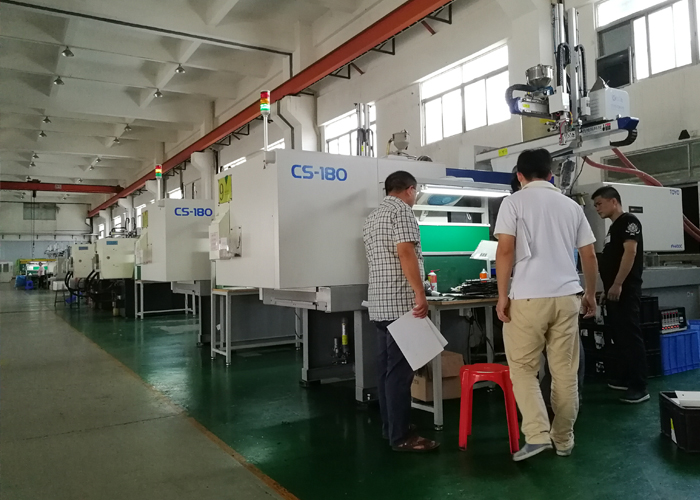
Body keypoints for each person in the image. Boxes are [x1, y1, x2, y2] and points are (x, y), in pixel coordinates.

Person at [494, 149, 598, 462]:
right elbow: (589, 254)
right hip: (567, 297)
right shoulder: (571, 206)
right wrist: (590, 294)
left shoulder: (513, 202)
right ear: (551, 174)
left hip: (528, 298)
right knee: (565, 373)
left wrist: (502, 296)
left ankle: (538, 434)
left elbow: (505, 251)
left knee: (523, 370)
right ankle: (564, 439)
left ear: (519, 176)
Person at [363, 170, 439, 453]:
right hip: (400, 305)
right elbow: (405, 252)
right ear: (410, 189)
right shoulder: (402, 212)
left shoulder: (372, 218)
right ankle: (402, 437)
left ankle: (391, 428)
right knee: (400, 374)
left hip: (380, 304)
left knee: (387, 372)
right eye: (415, 192)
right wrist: (420, 293)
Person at [592, 186, 649, 404]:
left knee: (631, 336)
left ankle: (639, 386)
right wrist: (607, 288)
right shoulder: (614, 227)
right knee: (621, 336)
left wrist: (617, 284)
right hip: (615, 291)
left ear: (613, 201)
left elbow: (630, 252)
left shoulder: (628, 221)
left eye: (599, 203)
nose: (597, 208)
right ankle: (626, 378)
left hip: (626, 289)